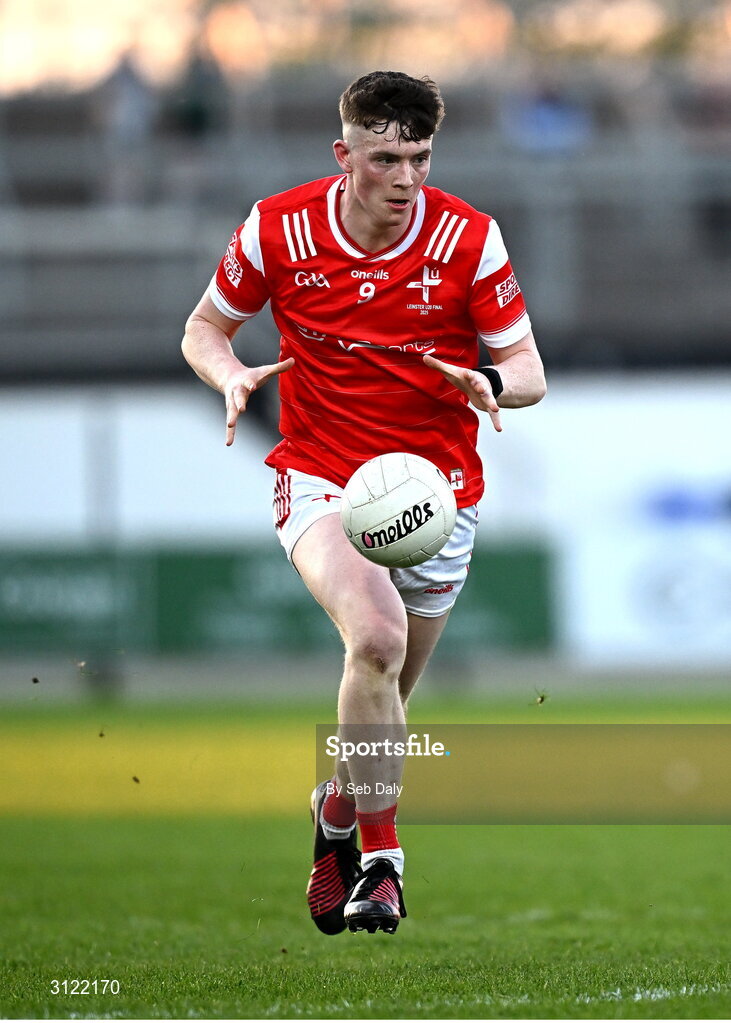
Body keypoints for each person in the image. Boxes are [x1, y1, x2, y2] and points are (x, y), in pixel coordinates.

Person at [181, 70, 546, 936]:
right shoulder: (278, 228)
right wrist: (228, 372)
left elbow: (529, 372)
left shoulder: (469, 238)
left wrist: (486, 380)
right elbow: (204, 327)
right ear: (344, 155)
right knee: (374, 639)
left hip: (435, 495)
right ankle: (381, 865)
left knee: (384, 702)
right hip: (319, 473)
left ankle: (335, 812)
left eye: (419, 157)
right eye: (385, 157)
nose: (406, 177)